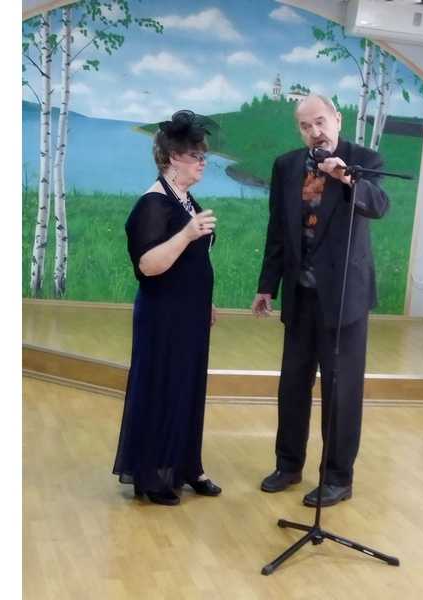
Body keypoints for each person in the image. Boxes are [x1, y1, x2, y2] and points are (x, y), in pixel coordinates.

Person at [251, 94, 390, 507]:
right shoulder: (287, 166)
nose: (314, 132)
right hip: (301, 294)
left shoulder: (364, 160)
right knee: (292, 385)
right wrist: (267, 285)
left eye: (320, 122)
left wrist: (346, 177)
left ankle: (337, 478)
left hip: (345, 298)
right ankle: (288, 465)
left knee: (340, 391)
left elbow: (378, 205)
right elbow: (278, 229)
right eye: (305, 126)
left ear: (337, 119)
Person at [113, 110, 222, 506]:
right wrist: (187, 233)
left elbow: (195, 260)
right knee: (164, 388)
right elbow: (148, 265)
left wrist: (206, 301)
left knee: (188, 389)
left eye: (204, 155)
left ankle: (187, 466)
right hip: (163, 315)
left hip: (190, 312)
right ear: (173, 157)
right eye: (196, 156)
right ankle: (155, 474)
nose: (203, 162)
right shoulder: (153, 204)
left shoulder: (185, 199)